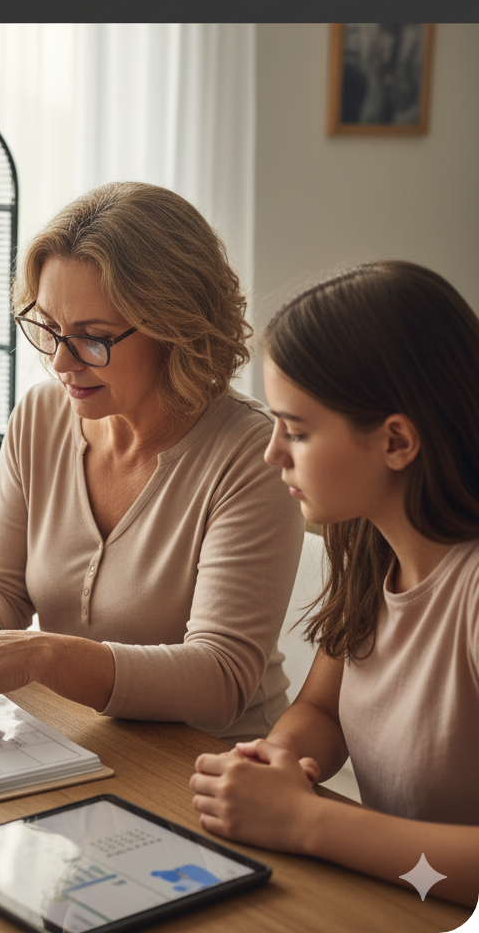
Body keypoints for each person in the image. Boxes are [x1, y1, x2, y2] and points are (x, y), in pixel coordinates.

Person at [0, 181, 305, 742]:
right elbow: (2, 595)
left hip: (215, 765)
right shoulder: (40, 417)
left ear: (175, 330)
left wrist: (43, 655)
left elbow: (222, 677)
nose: (60, 362)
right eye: (48, 328)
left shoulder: (252, 456)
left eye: (93, 338)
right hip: (78, 741)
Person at [189, 261, 479, 908]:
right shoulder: (371, 547)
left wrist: (305, 821)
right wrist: (276, 760)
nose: (272, 455)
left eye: (296, 431)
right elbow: (324, 711)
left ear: (396, 441)